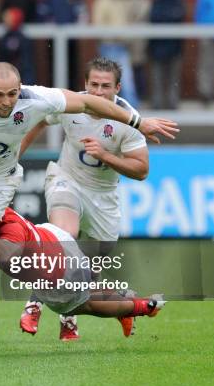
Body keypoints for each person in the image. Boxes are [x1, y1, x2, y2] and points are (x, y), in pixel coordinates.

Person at [0, 61, 177, 361]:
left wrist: (139, 122)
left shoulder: (36, 98)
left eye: (12, 94)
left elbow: (88, 103)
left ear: (20, 89)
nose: (6, 102)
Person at [0, 208, 165, 361]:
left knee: (82, 304)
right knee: (88, 288)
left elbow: (9, 260)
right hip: (51, 236)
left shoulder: (7, 225)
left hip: (56, 266)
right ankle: (127, 301)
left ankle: (141, 306)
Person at [18, 57, 151, 341]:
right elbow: (39, 120)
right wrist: (13, 156)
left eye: (106, 86)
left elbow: (141, 170)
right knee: (64, 237)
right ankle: (34, 304)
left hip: (103, 197)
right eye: (94, 85)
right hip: (67, 180)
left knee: (88, 274)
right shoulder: (71, 104)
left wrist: (106, 155)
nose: (99, 92)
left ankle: (108, 311)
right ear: (85, 84)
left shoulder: (127, 119)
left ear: (118, 87)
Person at [148, 0, 186, 110]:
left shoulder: (177, 3)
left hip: (174, 47)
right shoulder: (157, 3)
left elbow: (179, 16)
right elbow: (154, 18)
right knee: (157, 78)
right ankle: (157, 103)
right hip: (157, 47)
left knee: (173, 78)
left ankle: (172, 103)